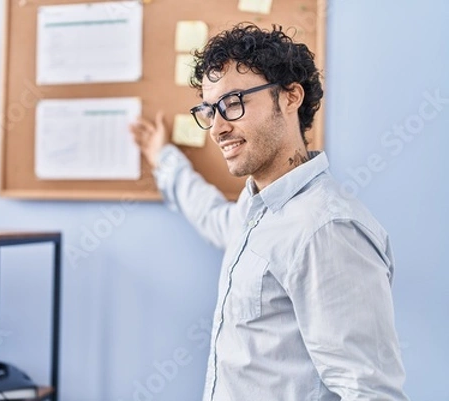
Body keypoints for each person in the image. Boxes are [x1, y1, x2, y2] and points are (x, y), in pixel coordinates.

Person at [129, 23, 409, 401]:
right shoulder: (257, 206)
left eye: (233, 102)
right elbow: (215, 219)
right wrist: (164, 160)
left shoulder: (326, 228)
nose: (217, 128)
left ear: (291, 96)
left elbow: (370, 392)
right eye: (210, 110)